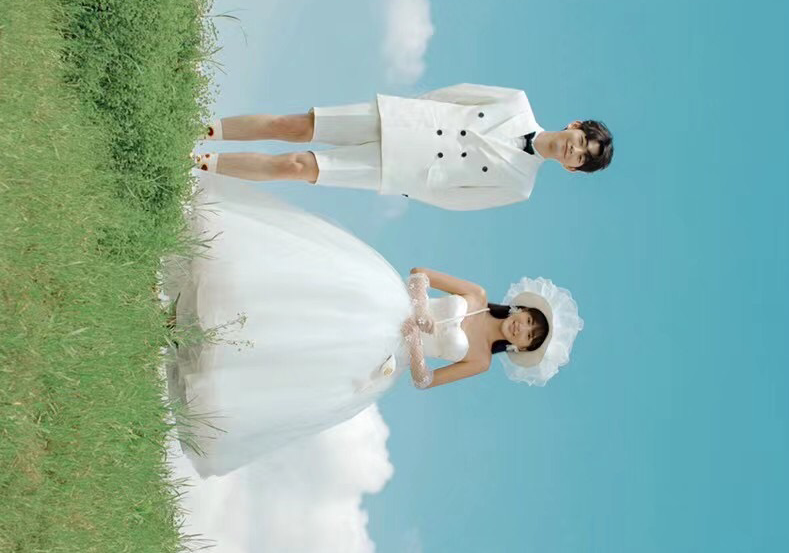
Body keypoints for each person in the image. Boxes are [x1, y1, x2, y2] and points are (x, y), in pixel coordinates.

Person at [162, 176, 584, 477]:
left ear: (521, 349)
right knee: (299, 301)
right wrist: (420, 309)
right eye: (529, 321)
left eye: (530, 337)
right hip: (381, 300)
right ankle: (193, 306)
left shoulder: (480, 362)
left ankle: (199, 349)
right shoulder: (475, 294)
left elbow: (425, 379)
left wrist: (415, 342)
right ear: (520, 309)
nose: (523, 329)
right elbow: (420, 273)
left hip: (382, 353)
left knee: (299, 348)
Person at [191, 85, 613, 211]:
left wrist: (415, 183)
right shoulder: (517, 102)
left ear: (572, 169)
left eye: (580, 158)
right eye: (580, 142)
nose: (573, 150)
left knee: (296, 166)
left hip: (403, 169)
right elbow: (460, 92)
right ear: (574, 126)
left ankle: (199, 160)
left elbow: (459, 201)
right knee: (296, 125)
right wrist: (417, 110)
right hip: (404, 120)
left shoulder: (520, 186)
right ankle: (204, 129)